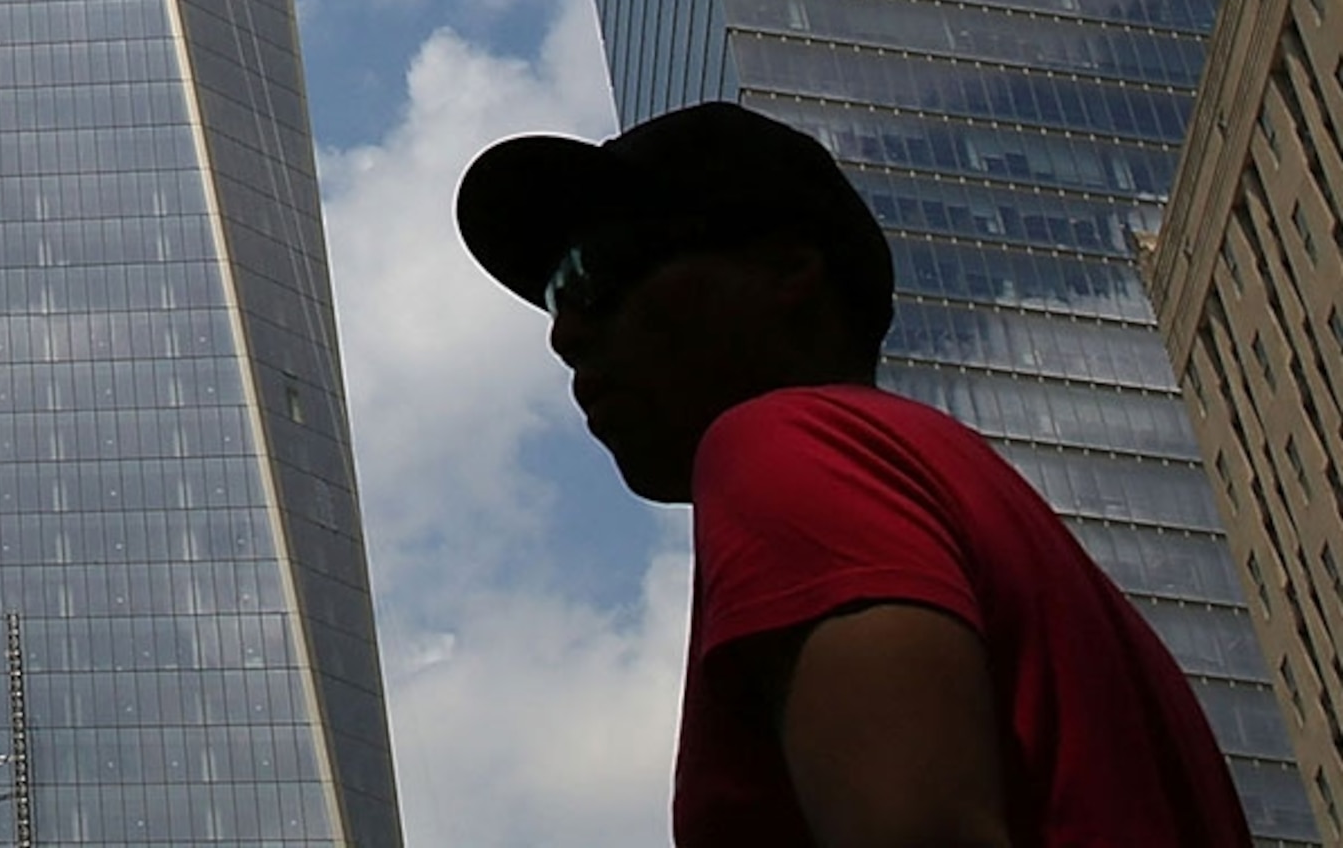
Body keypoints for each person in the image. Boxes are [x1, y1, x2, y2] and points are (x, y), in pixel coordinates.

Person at [455, 100, 1254, 848]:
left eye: (598, 272)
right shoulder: (990, 517)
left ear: (785, 270)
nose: (565, 332)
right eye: (555, 295)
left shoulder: (783, 445)